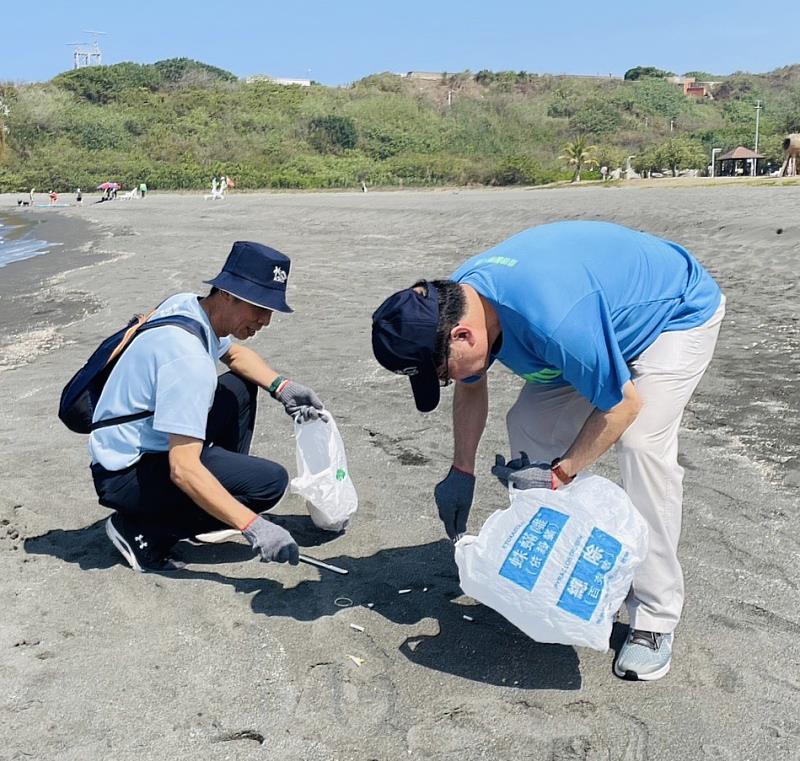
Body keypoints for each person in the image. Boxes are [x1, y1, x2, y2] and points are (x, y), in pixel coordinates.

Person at [371, 221, 725, 682]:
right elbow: (472, 388)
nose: (447, 381)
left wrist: (561, 474)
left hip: (672, 318)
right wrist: (462, 471)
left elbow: (621, 407)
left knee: (641, 447)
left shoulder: (551, 319)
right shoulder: (456, 304)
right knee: (528, 425)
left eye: (441, 373)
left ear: (463, 337)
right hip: (589, 328)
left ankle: (655, 617)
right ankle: (561, 565)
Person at [88, 241, 327, 573]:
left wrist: (282, 387)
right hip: (127, 472)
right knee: (270, 483)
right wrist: (253, 527)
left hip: (126, 439)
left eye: (271, 309)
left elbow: (236, 356)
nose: (266, 320)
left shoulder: (188, 305)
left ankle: (209, 504)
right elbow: (182, 469)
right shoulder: (189, 362)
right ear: (227, 294)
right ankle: (141, 532)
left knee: (240, 387)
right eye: (259, 307)